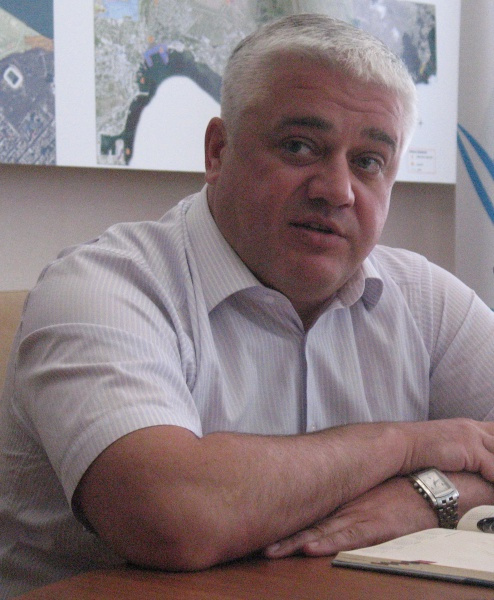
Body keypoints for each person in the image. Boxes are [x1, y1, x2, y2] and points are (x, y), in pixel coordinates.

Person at [1, 13, 494, 598]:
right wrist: (406, 444)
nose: (337, 190)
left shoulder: (424, 298)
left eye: (367, 162)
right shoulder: (102, 286)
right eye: (299, 147)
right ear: (218, 151)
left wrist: (430, 496)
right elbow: (170, 515)